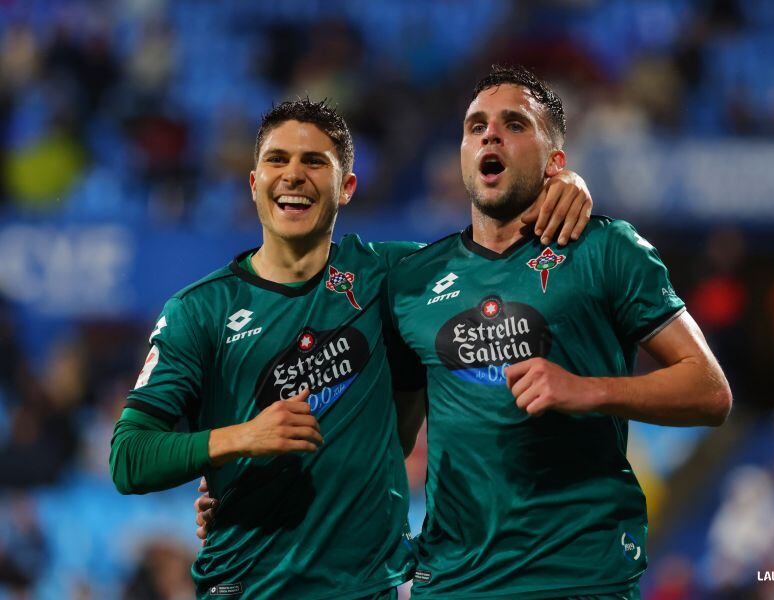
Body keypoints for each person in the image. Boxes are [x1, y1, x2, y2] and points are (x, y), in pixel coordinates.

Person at [110, 97, 593, 599]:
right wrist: (239, 440)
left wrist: (564, 186)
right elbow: (128, 457)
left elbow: (499, 242)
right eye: (277, 159)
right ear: (254, 184)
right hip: (248, 587)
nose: (293, 175)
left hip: (368, 589)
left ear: (346, 188)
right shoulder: (199, 310)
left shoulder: (392, 277)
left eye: (314, 161)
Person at [384, 65, 732, 598]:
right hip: (453, 581)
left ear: (555, 161)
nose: (490, 134)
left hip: (579, 575)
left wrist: (587, 389)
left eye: (515, 124)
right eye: (475, 126)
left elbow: (710, 392)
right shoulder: (413, 278)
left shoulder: (606, 249)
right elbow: (391, 444)